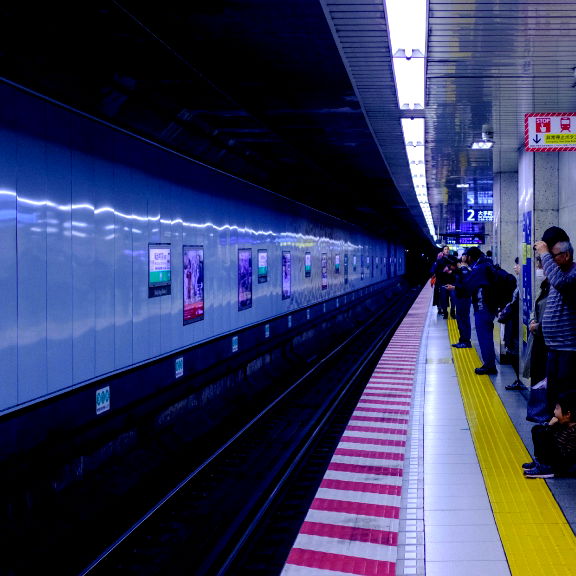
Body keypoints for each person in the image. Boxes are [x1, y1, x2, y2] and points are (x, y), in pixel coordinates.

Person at [534, 226, 576, 418]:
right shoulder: (556, 275)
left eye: (553, 256)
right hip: (554, 348)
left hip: (569, 350)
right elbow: (554, 308)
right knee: (553, 397)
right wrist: (540, 325)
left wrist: (544, 253)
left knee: (565, 398)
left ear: (566, 255)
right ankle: (555, 435)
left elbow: (562, 284)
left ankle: (565, 441)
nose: (548, 262)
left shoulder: (572, 275)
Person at [523, 390, 576, 478]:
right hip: (560, 457)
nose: (554, 412)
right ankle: (540, 461)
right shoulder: (564, 424)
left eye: (557, 408)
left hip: (565, 464)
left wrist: (549, 427)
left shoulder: (573, 431)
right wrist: (549, 426)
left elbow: (563, 450)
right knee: (537, 429)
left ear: (567, 414)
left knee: (543, 433)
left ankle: (546, 467)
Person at [463, 246, 498, 375]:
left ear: (470, 257)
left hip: (483, 307)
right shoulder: (486, 264)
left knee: (484, 336)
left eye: (466, 256)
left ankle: (489, 366)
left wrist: (464, 270)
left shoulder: (479, 268)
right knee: (486, 335)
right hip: (489, 306)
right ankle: (489, 364)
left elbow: (467, 286)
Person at [523, 255, 550, 386]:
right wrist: (532, 320)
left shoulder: (557, 289)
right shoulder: (544, 287)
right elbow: (536, 308)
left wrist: (538, 326)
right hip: (539, 342)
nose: (538, 270)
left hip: (548, 346)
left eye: (540, 266)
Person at [498, 257, 522, 390]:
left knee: (514, 351)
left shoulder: (524, 284)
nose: (514, 267)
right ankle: (519, 379)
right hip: (513, 322)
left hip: (516, 323)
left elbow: (515, 304)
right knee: (512, 350)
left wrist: (504, 314)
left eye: (517, 264)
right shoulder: (519, 283)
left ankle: (520, 380)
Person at [445, 250, 472, 348]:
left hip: (463, 298)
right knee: (461, 319)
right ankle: (463, 340)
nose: (450, 268)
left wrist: (454, 287)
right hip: (462, 298)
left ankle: (465, 341)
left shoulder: (464, 270)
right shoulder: (461, 270)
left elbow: (466, 285)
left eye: (450, 266)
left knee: (463, 319)